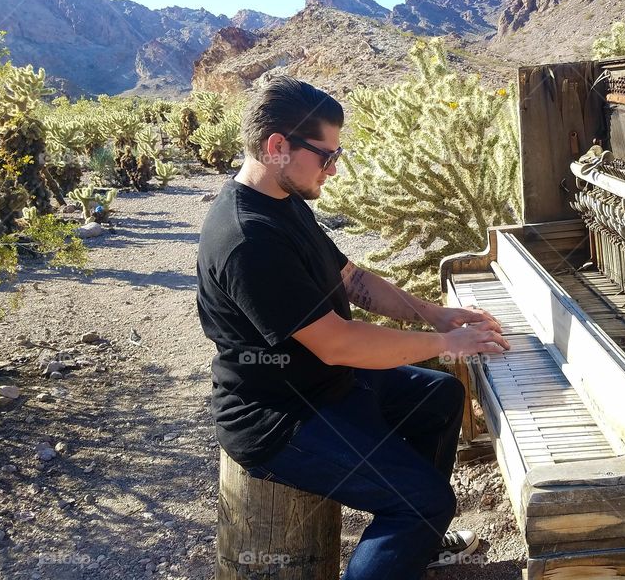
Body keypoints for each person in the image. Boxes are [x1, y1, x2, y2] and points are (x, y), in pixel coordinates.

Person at [196, 76, 509, 580]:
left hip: (323, 384)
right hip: (279, 417)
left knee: (440, 396)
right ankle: (416, 523)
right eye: (327, 156)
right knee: (423, 501)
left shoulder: (284, 200)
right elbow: (337, 343)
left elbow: (350, 278)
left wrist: (431, 313)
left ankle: (414, 546)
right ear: (277, 147)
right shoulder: (247, 238)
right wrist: (446, 343)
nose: (335, 169)